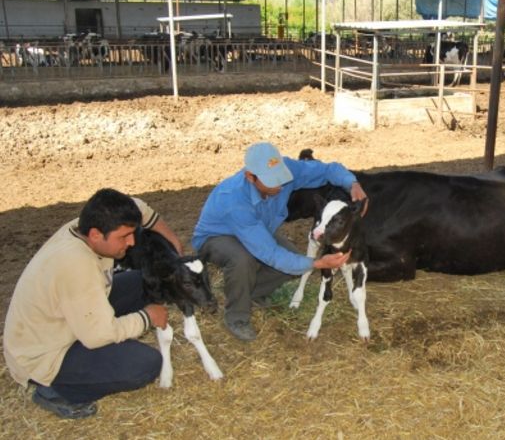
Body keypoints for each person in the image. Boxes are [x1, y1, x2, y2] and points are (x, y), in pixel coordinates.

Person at [3, 188, 181, 419]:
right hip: (46, 353)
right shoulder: (76, 264)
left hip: (68, 320)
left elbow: (139, 208)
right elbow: (97, 335)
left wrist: (173, 240)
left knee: (144, 282)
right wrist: (147, 317)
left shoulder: (87, 226)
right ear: (96, 235)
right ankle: (54, 389)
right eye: (124, 237)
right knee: (145, 365)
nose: (132, 241)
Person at [192, 142, 368, 341]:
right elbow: (270, 253)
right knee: (243, 259)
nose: (278, 184)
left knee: (291, 261)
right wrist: (317, 263)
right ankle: (237, 317)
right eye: (270, 181)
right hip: (217, 236)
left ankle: (252, 291)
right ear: (250, 177)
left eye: (280, 177)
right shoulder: (234, 200)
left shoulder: (287, 170)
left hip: (258, 228)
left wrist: (352, 183)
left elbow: (328, 169)